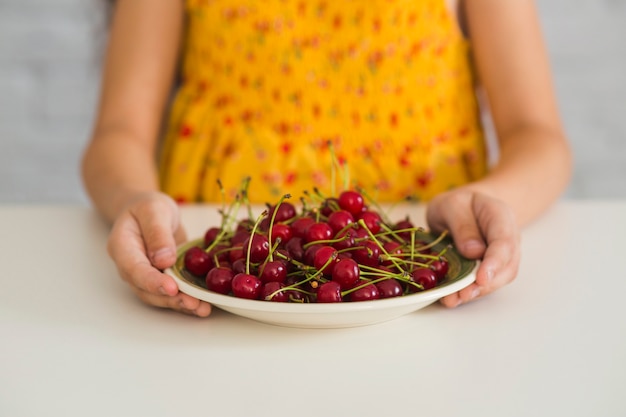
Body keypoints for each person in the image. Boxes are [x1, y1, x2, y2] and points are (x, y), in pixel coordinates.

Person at [82, 0, 572, 317]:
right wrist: (135, 201)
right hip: (217, 294)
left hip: (422, 284)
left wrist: (488, 200)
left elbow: (538, 136)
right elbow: (118, 131)